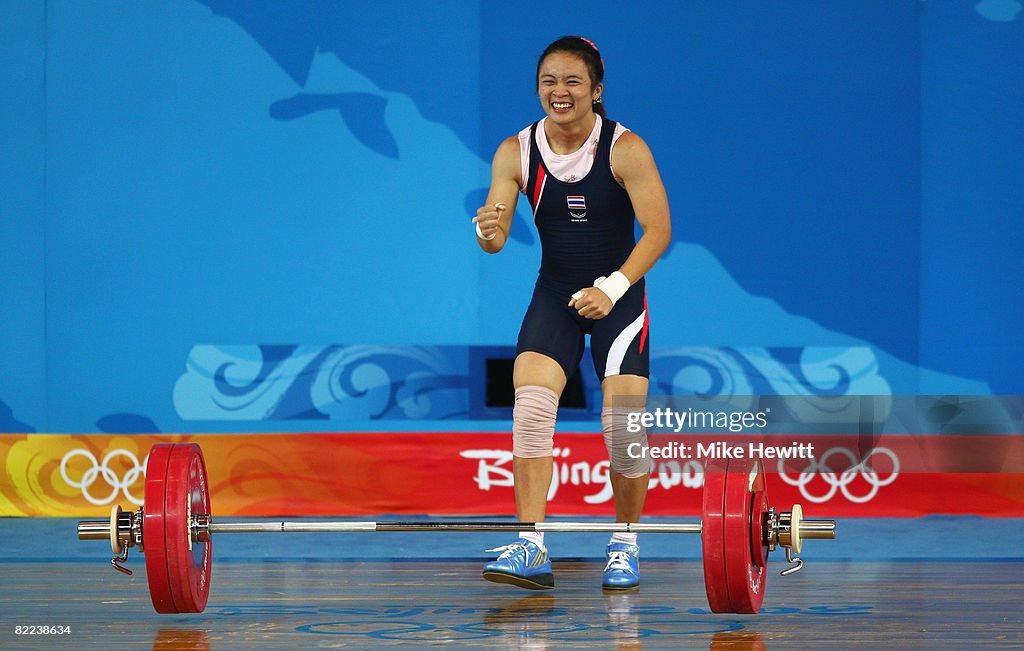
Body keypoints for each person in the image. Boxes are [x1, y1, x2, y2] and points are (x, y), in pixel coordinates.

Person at [472, 35, 671, 591]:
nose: (559, 92)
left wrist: (611, 288)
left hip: (620, 297)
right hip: (555, 293)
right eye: (548, 82)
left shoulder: (625, 149)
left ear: (596, 90)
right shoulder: (516, 152)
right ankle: (531, 544)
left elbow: (659, 232)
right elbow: (495, 235)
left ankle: (625, 544)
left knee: (623, 429)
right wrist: (488, 234)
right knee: (531, 410)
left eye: (572, 82)